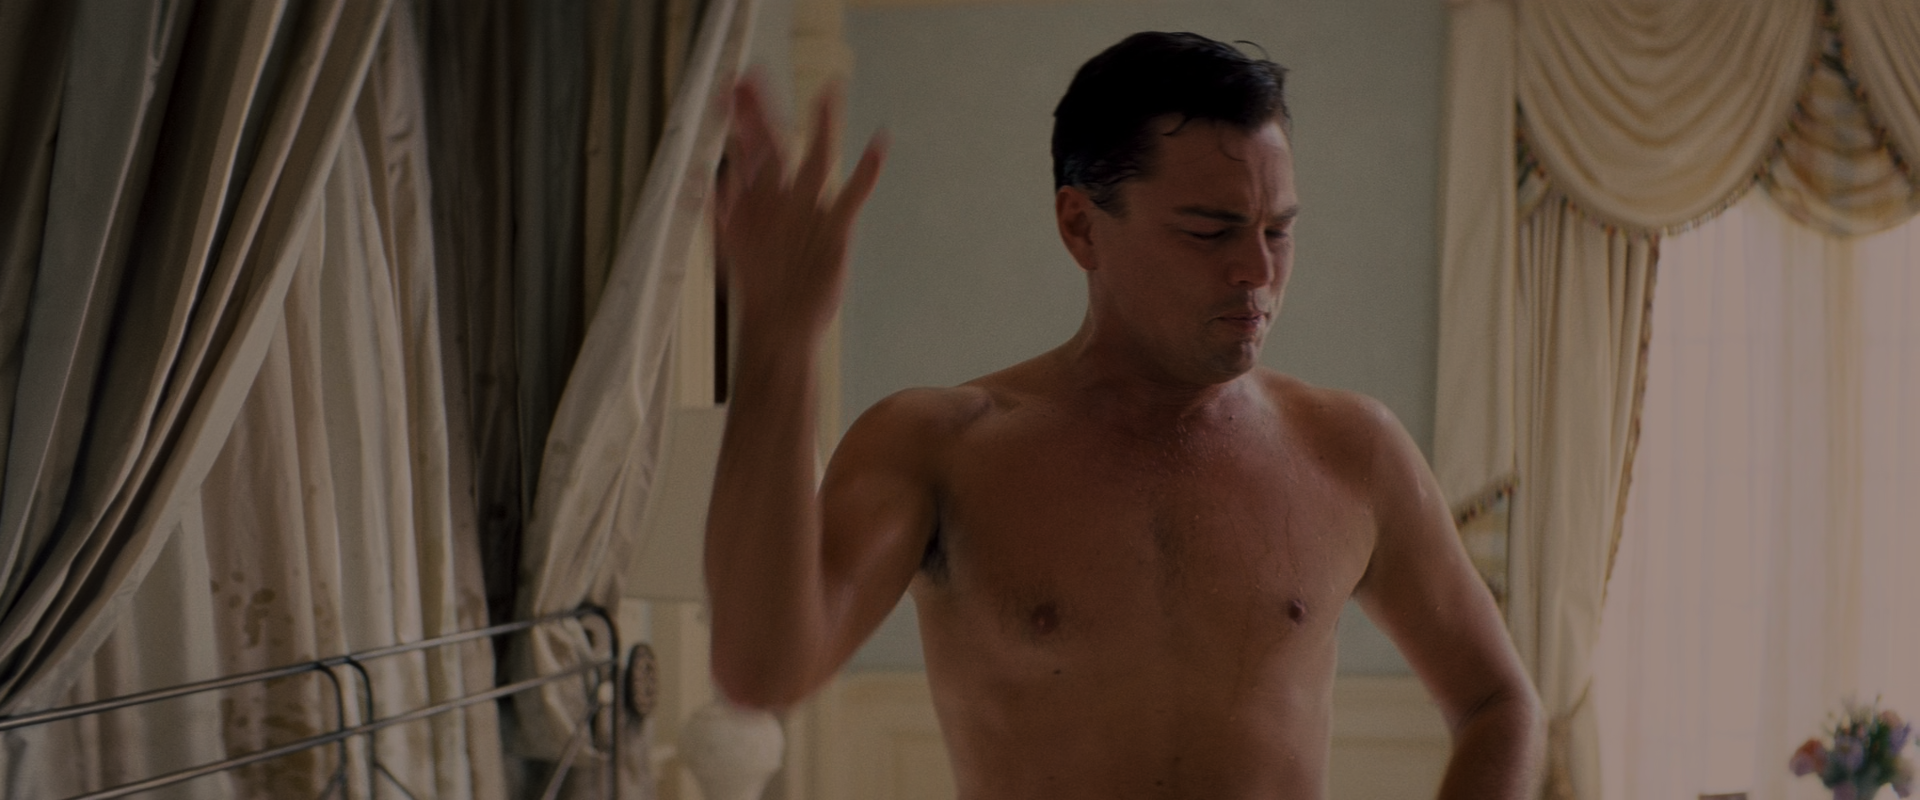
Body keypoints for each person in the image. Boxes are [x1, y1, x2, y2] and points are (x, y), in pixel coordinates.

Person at [704, 31, 1543, 799]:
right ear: (1081, 227)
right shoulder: (940, 446)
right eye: (1211, 231)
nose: (1258, 271)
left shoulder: (1355, 449)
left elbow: (1499, 702)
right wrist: (779, 339)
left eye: (1278, 231)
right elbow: (761, 669)